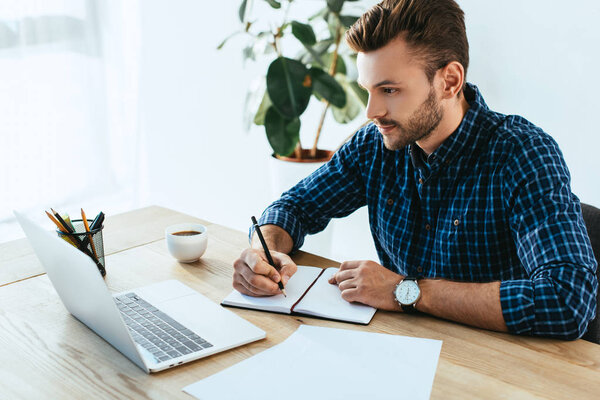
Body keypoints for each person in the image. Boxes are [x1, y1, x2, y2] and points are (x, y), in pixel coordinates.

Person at [232, 0, 597, 339]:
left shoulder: (522, 153)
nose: (371, 111)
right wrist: (263, 250)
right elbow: (295, 207)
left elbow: (567, 300)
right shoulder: (374, 145)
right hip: (404, 351)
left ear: (449, 81)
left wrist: (403, 291)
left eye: (389, 90)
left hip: (498, 368)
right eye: (368, 89)